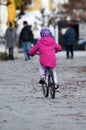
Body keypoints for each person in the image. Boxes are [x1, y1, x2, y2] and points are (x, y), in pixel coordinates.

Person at [28, 27, 62, 91]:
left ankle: (42, 76)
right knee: (53, 71)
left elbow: (33, 50)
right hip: (52, 59)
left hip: (43, 59)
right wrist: (56, 50)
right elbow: (59, 48)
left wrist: (30, 53)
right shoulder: (52, 41)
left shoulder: (40, 41)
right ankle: (55, 85)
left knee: (41, 66)